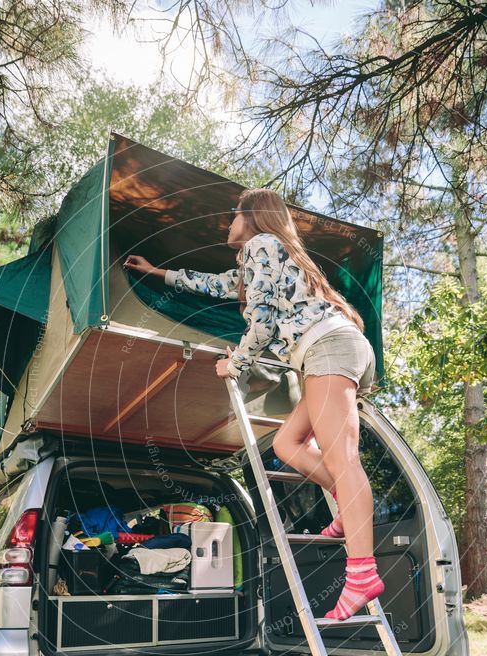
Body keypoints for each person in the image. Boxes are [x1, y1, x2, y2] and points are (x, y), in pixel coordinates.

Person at [124, 188, 384, 620]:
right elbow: (212, 285)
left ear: (254, 217)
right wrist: (157, 273)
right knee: (287, 444)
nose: (229, 224)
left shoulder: (262, 244)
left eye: (234, 216)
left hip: (329, 349)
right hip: (328, 352)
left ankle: (361, 573)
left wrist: (236, 365)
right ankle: (346, 501)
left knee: (344, 459)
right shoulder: (262, 258)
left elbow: (261, 324)